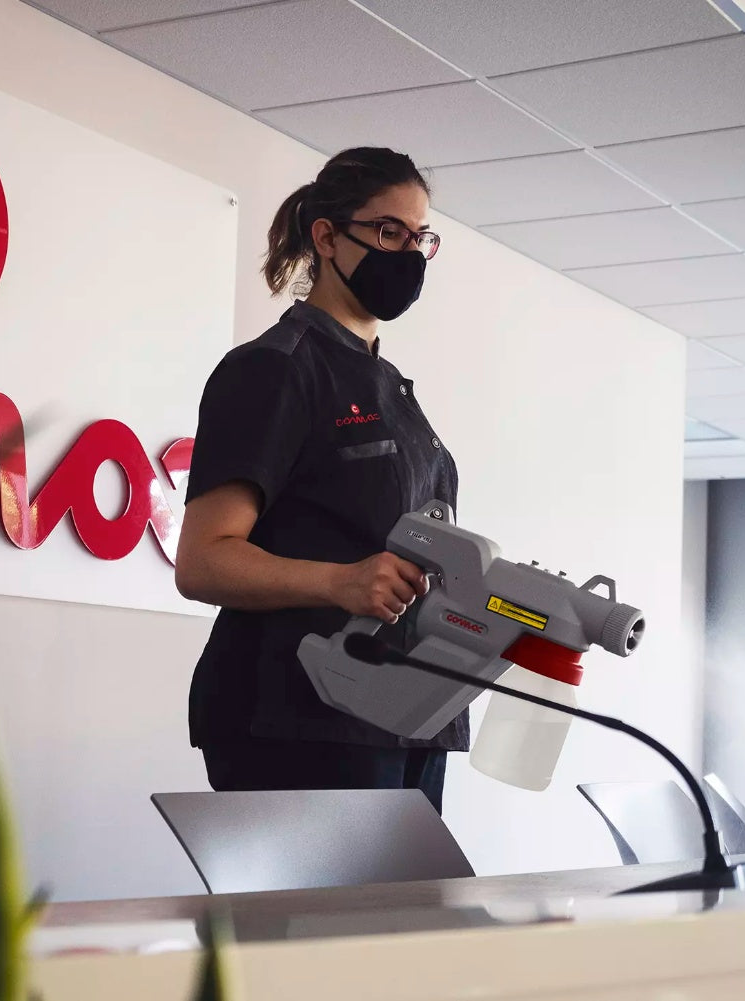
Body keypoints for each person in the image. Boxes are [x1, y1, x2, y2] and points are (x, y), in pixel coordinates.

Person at [174, 147, 465, 814]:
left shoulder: (392, 389)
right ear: (326, 237)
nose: (409, 253)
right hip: (300, 714)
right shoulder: (274, 370)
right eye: (390, 231)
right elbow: (202, 559)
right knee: (324, 923)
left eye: (422, 237)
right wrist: (339, 580)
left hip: (407, 708)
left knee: (408, 919)